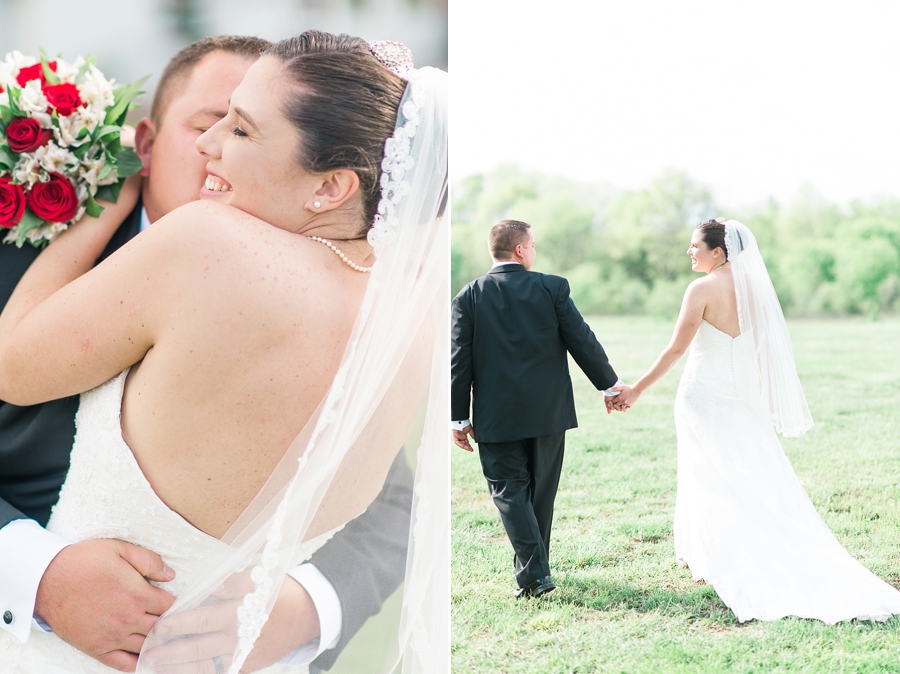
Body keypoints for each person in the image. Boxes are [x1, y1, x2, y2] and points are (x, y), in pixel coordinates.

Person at [0, 30, 448, 674]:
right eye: (212, 121)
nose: (213, 146)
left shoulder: (204, 243)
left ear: (330, 187)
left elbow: (13, 365)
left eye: (239, 129)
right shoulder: (410, 317)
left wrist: (301, 607)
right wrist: (32, 572)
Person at [610, 218, 900, 623]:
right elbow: (764, 353)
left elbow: (677, 349)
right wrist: (761, 400)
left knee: (710, 475)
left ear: (719, 252)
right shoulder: (755, 290)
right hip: (742, 399)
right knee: (748, 475)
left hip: (704, 397)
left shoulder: (702, 289)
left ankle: (721, 557)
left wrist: (636, 389)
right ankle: (714, 551)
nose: (689, 252)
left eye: (696, 246)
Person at [451, 219, 620, 598]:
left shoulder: (468, 296)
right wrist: (609, 384)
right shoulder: (551, 287)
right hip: (548, 413)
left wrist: (459, 417)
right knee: (539, 493)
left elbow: (458, 361)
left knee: (509, 491)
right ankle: (536, 573)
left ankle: (535, 574)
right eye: (533, 246)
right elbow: (581, 339)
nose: (535, 252)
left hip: (496, 416)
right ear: (521, 250)